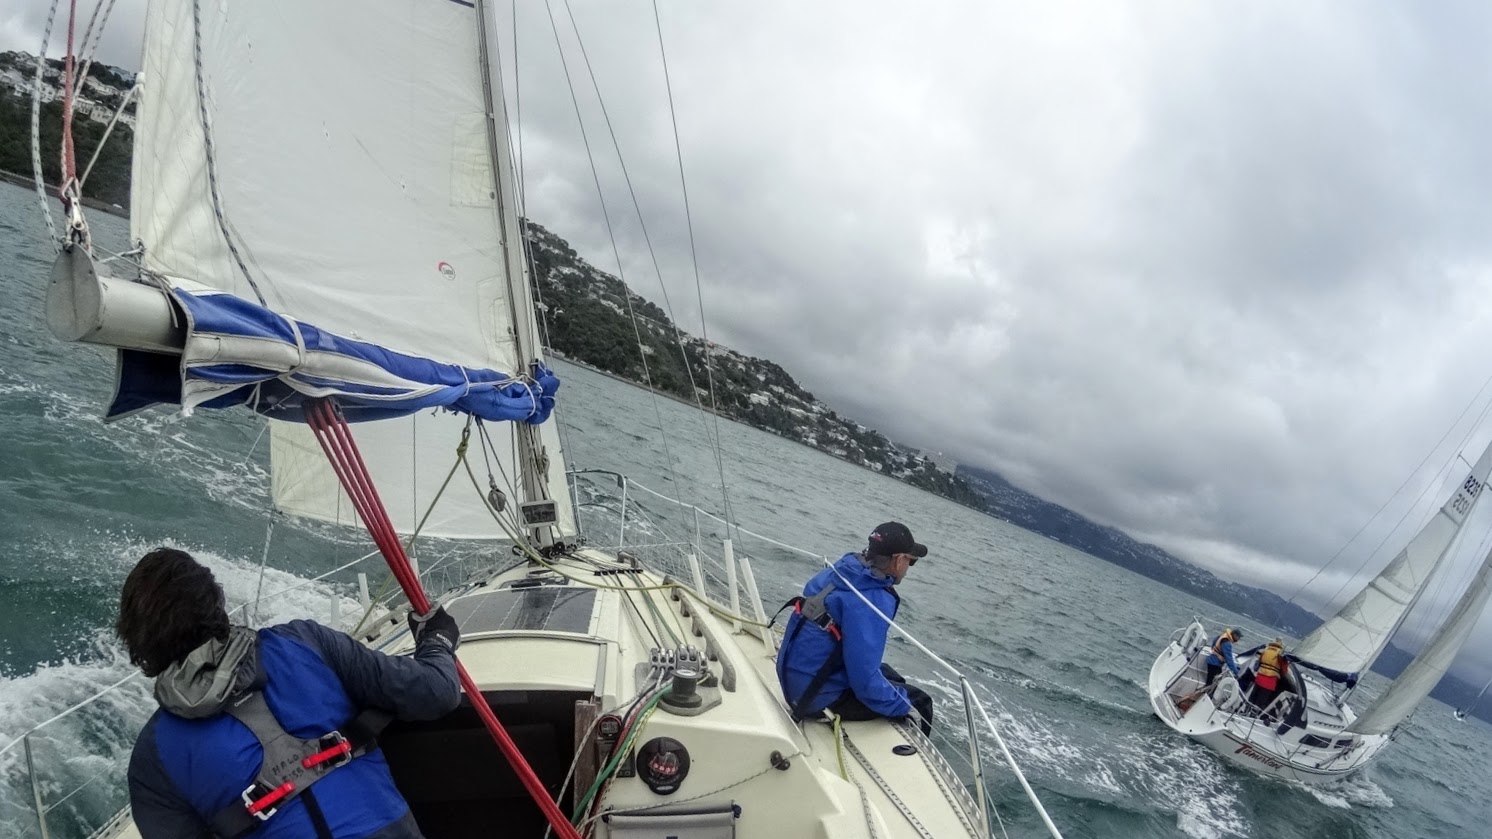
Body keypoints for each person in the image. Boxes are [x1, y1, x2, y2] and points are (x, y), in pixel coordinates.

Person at [119, 548, 462, 839]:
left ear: (139, 643)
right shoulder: (304, 642)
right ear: (215, 605)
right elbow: (437, 692)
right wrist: (436, 639)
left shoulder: (152, 759)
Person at [775, 522, 934, 735]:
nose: (909, 567)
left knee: (890, 676)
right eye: (910, 561)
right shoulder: (871, 599)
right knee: (920, 701)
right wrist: (904, 706)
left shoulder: (844, 572)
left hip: (792, 677)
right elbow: (864, 681)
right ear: (898, 560)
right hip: (813, 697)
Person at [1245, 638, 1288, 709]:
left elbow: (1259, 662)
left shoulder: (1266, 650)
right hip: (1270, 682)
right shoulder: (1280, 654)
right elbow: (1284, 670)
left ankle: (1246, 710)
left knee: (1252, 698)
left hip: (1259, 678)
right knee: (1260, 702)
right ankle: (1253, 713)